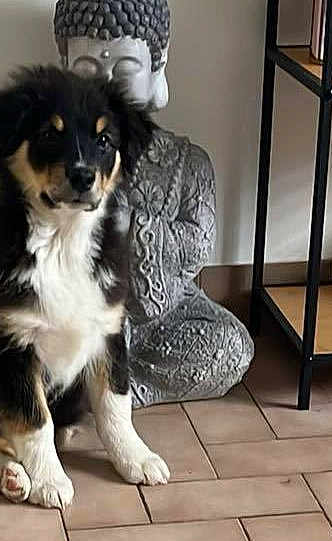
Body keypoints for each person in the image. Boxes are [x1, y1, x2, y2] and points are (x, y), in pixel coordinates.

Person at [53, 0, 254, 406]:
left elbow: (197, 246)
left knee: (231, 346)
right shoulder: (53, 159)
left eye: (125, 70)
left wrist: (135, 226)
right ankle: (98, 390)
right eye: (89, 70)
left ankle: (117, 392)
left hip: (162, 317)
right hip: (77, 316)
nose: (107, 84)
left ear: (157, 67)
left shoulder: (188, 162)